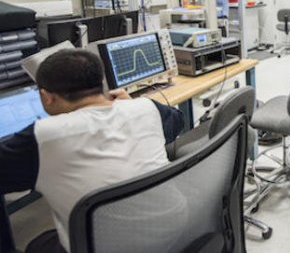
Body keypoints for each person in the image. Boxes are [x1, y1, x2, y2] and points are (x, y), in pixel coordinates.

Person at [0, 50, 184, 253]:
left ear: (46, 97)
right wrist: (129, 108)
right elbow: (177, 122)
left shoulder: (42, 136)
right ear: (101, 83)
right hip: (176, 229)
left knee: (38, 244)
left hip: (109, 246)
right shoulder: (147, 107)